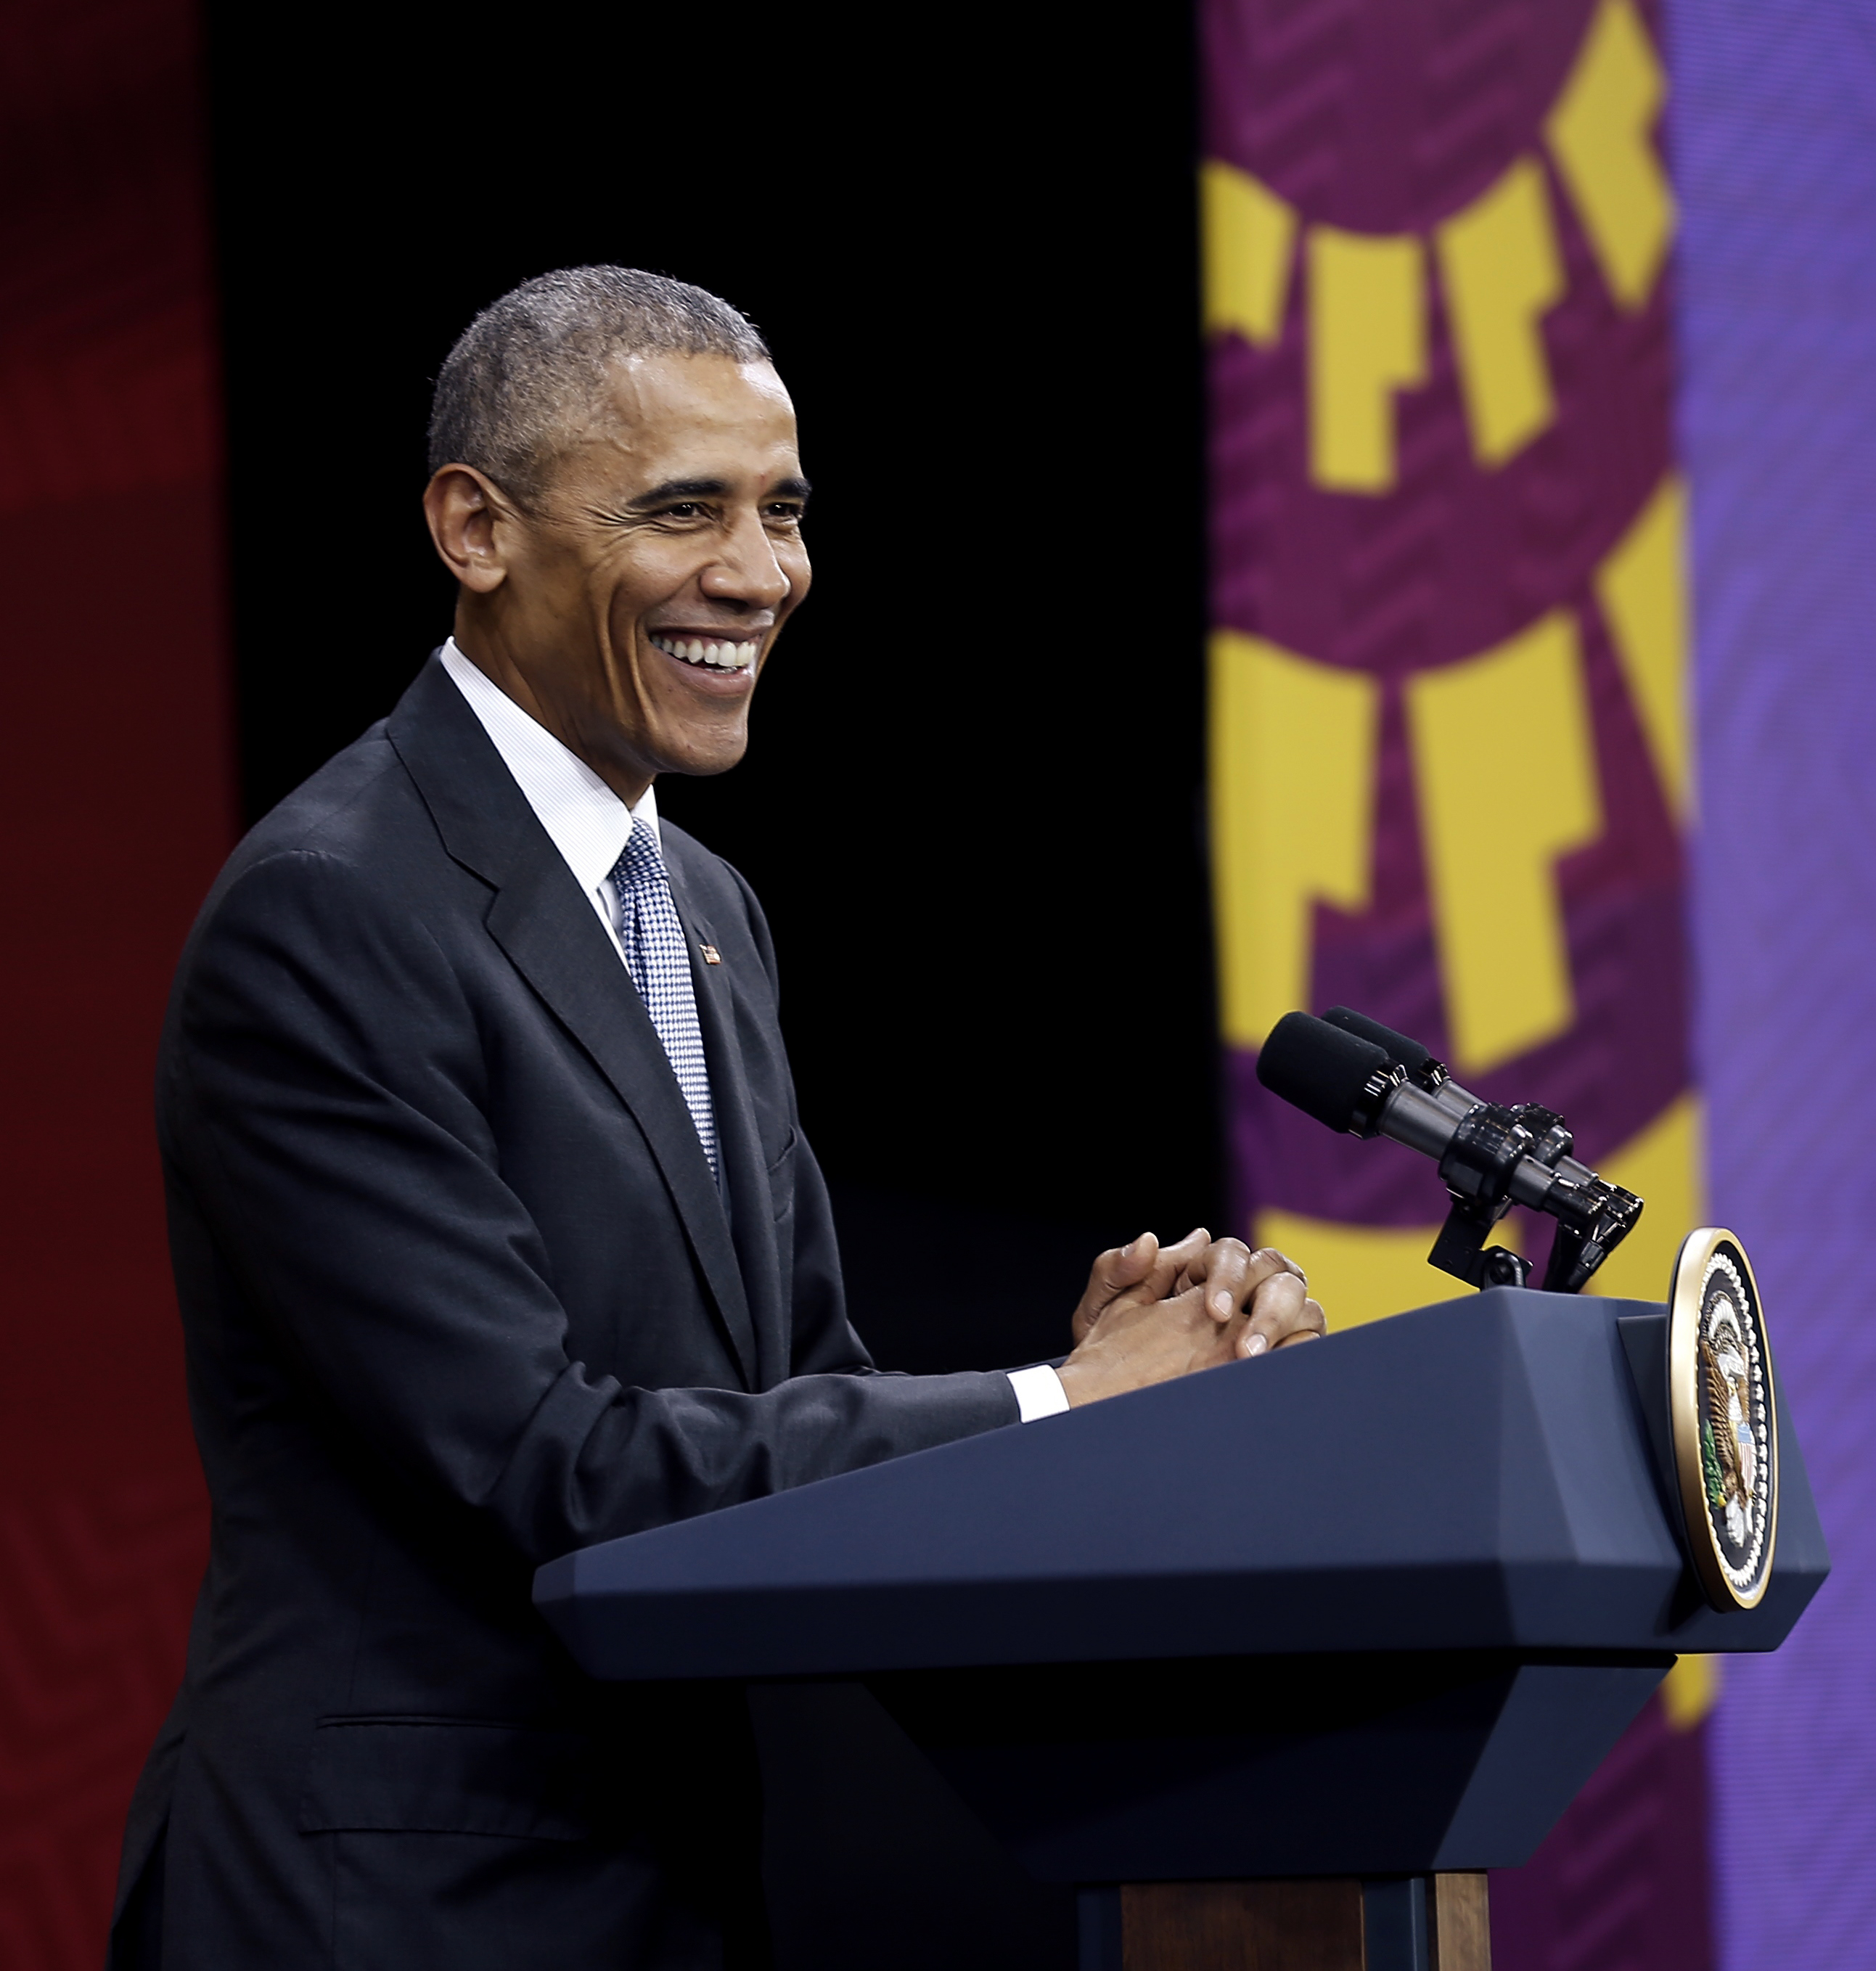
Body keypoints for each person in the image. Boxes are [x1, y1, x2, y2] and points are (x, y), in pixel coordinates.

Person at [107, 266, 1323, 1969]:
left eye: (783, 510)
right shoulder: (330, 910)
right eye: (687, 509)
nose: (760, 575)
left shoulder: (702, 908)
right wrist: (1050, 1402)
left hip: (661, 1886)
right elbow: (549, 1461)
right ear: (474, 527)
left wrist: (1091, 1385)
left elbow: (782, 1403)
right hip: (391, 1904)